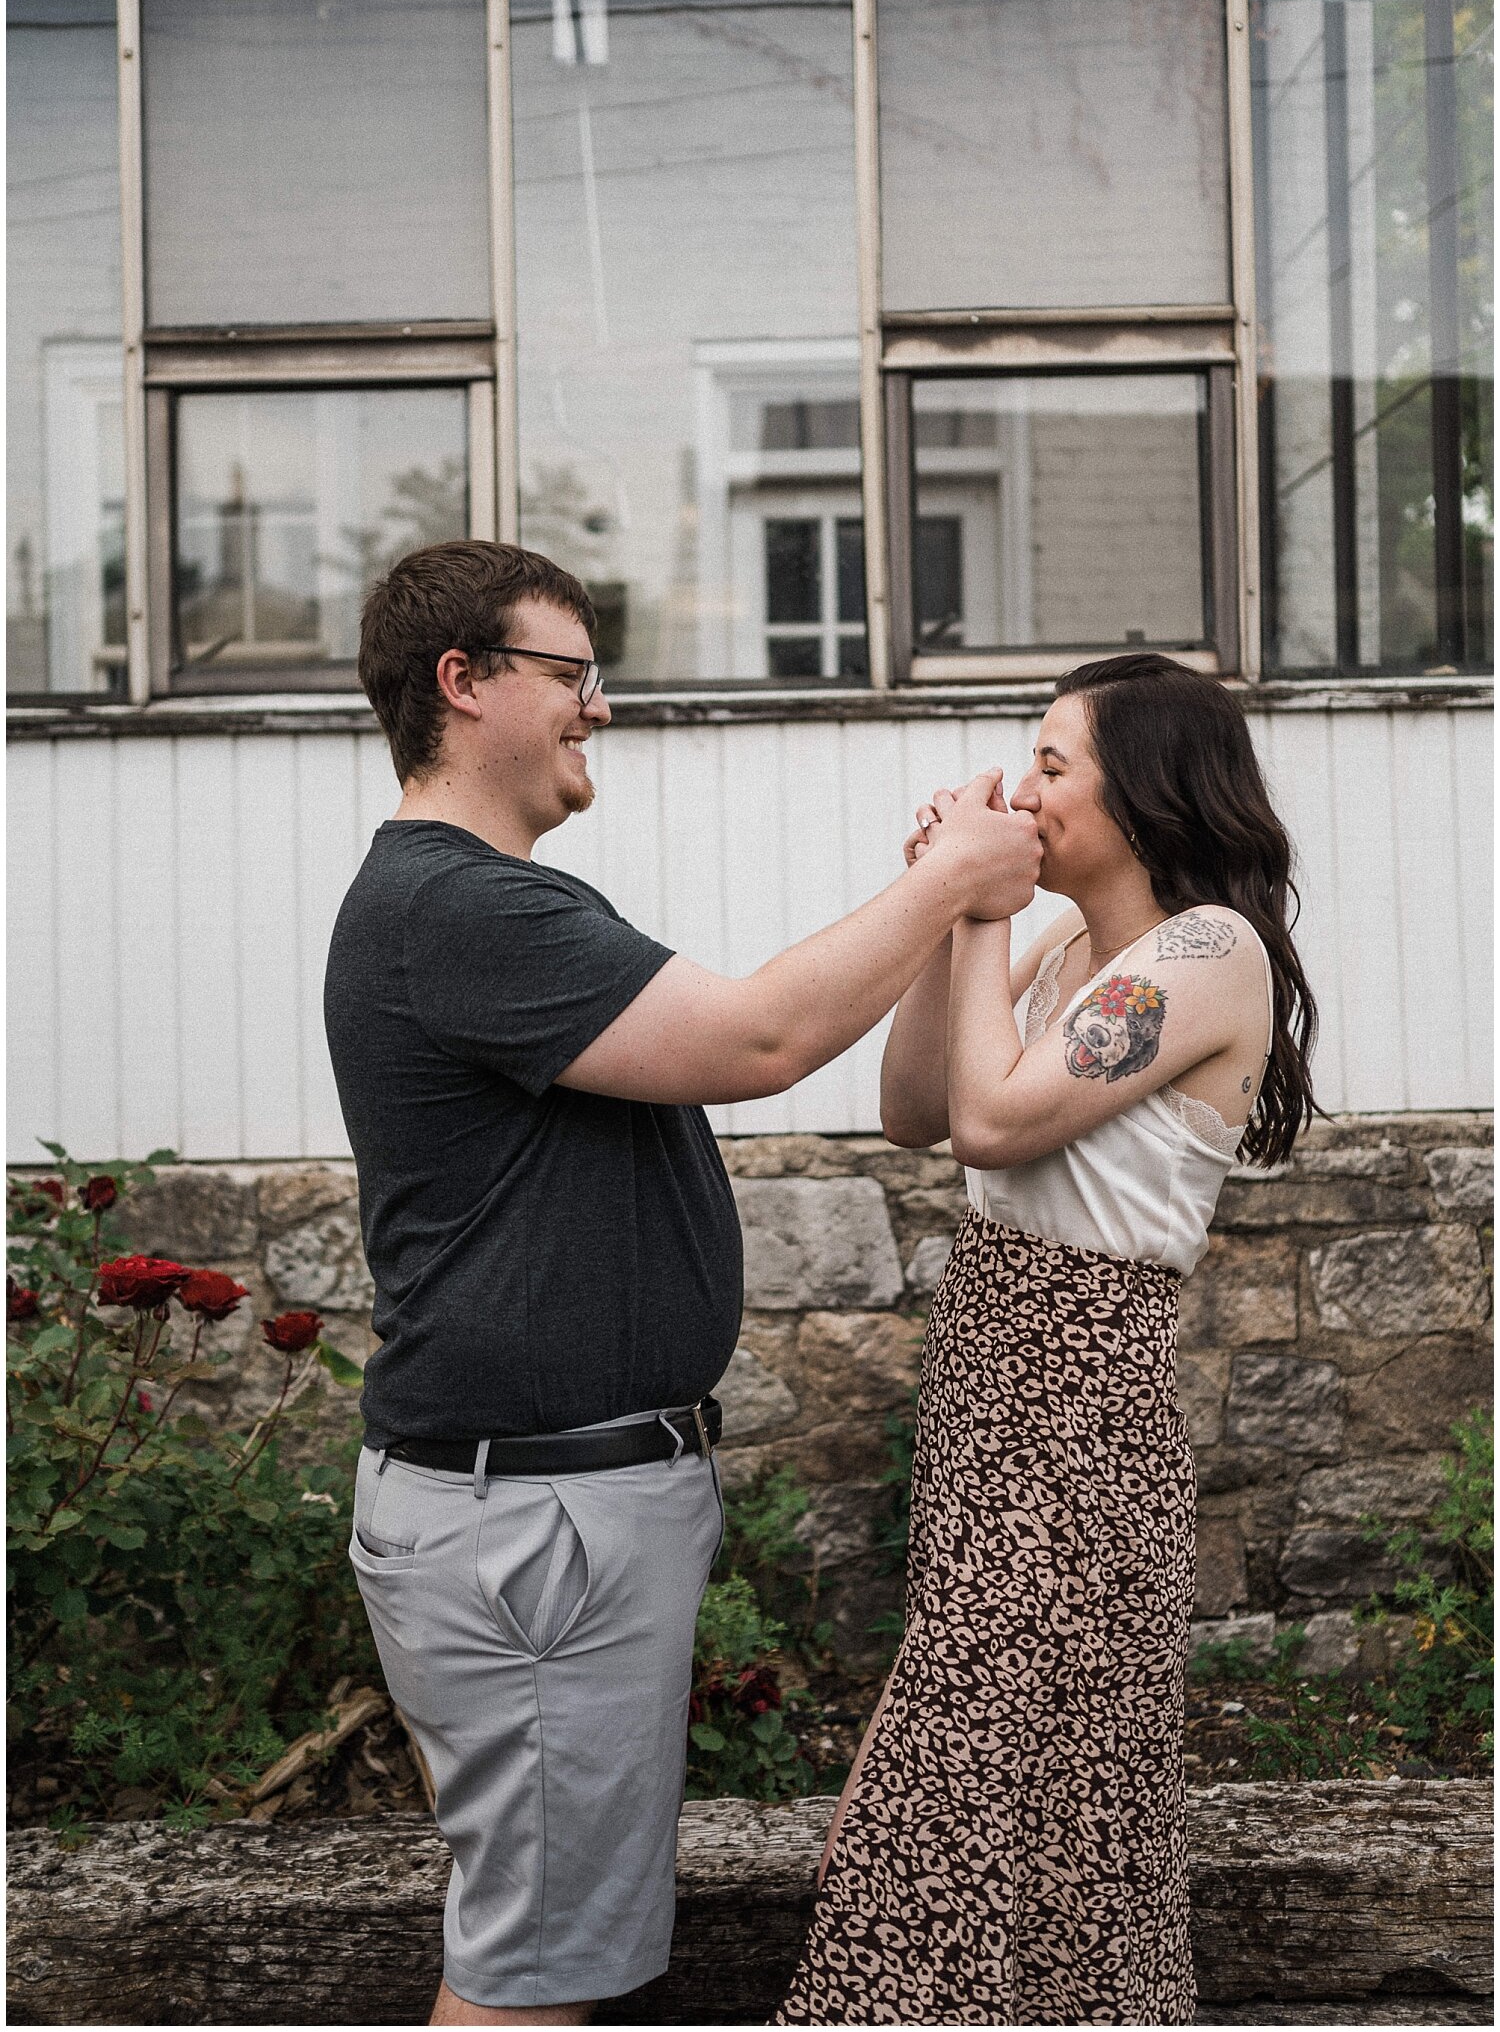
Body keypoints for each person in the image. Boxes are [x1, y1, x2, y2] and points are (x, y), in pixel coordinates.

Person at [322, 540, 1042, 2028]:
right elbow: (760, 1041)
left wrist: (934, 902)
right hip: (534, 1523)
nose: (600, 709)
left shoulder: (491, 903)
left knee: (554, 1948)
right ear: (464, 684)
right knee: (531, 1979)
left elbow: (779, 1034)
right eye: (572, 676)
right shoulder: (463, 909)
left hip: (548, 1510)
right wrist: (955, 881)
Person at [778, 653, 1319, 2029]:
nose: (1023, 786)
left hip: (1079, 1409)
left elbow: (999, 1124)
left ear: (1142, 794)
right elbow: (915, 1108)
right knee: (974, 1784)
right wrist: (956, 912)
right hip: (991, 1390)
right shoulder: (1068, 952)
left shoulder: (1204, 953)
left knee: (1019, 1805)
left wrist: (969, 912)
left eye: (1054, 763)